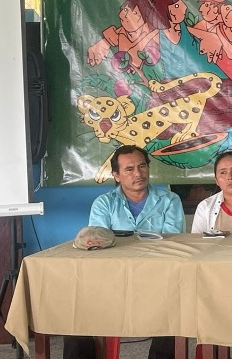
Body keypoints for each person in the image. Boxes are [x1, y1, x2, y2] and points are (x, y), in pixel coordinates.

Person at [66, 145, 184, 359]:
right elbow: (98, 244)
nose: (138, 173)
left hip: (157, 277)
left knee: (175, 306)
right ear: (117, 175)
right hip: (112, 278)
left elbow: (171, 242)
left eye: (142, 166)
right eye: (129, 169)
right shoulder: (104, 203)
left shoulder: (169, 200)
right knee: (75, 308)